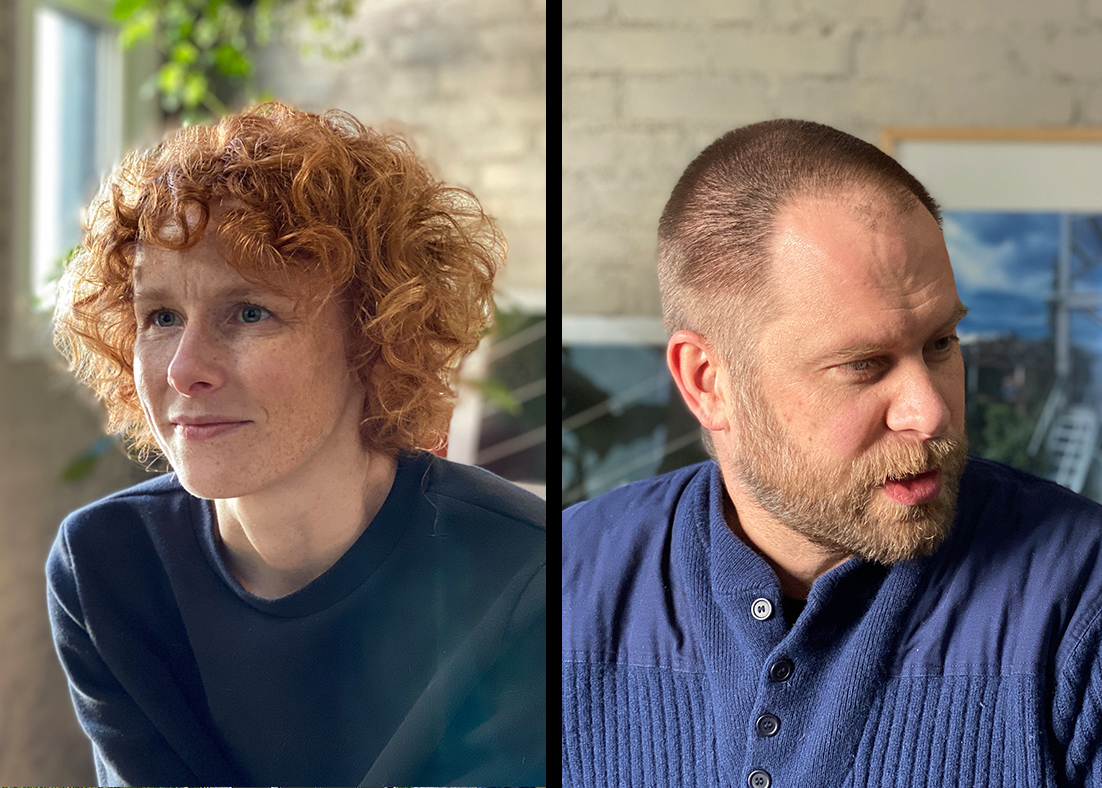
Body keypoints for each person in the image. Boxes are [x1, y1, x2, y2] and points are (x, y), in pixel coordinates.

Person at [561, 119, 1102, 786]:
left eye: (941, 343)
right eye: (863, 365)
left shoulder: (1082, 597)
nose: (930, 411)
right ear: (709, 383)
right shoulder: (556, 585)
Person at [49, 102, 546, 787]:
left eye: (250, 312)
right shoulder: (106, 567)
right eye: (160, 316)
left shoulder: (529, 574)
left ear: (375, 334)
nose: (182, 368)